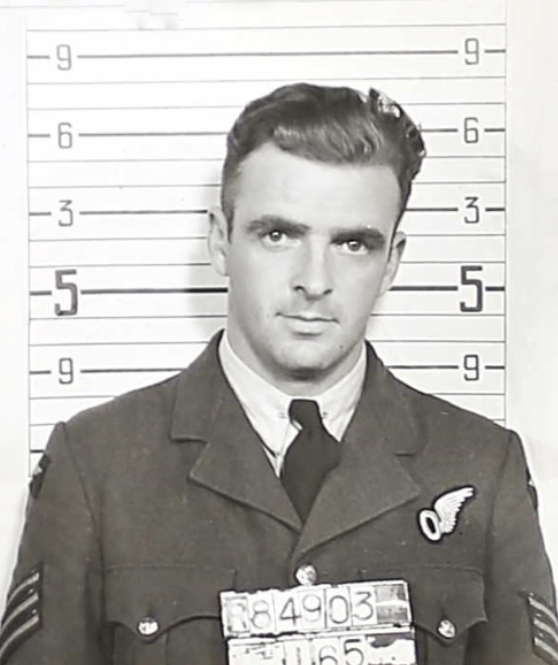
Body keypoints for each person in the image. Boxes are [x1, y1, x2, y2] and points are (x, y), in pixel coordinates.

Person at [0, 83, 556, 665]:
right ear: (220, 241)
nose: (314, 281)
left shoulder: (481, 469)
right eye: (278, 235)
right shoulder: (95, 466)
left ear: (391, 262)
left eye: (353, 244)